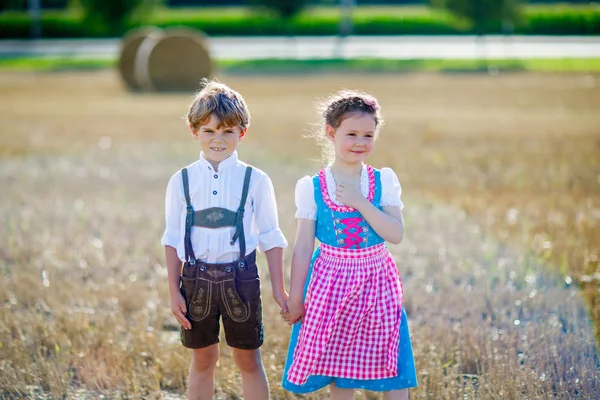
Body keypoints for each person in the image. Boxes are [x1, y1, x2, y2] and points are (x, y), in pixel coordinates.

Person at [281, 90, 417, 399]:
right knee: (341, 375)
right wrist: (296, 298)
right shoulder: (312, 187)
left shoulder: (383, 181)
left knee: (392, 362)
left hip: (376, 282)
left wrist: (360, 202)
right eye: (351, 134)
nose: (360, 142)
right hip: (331, 284)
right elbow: (303, 247)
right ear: (331, 133)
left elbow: (395, 233)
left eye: (368, 135)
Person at [161, 79, 288, 400]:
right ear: (194, 132)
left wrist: (278, 287)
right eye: (209, 131)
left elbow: (271, 237)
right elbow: (173, 238)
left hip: (242, 280)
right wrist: (173, 290)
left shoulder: (256, 180)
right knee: (203, 359)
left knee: (248, 360)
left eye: (227, 131)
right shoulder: (182, 180)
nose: (218, 139)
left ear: (241, 132)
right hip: (195, 281)